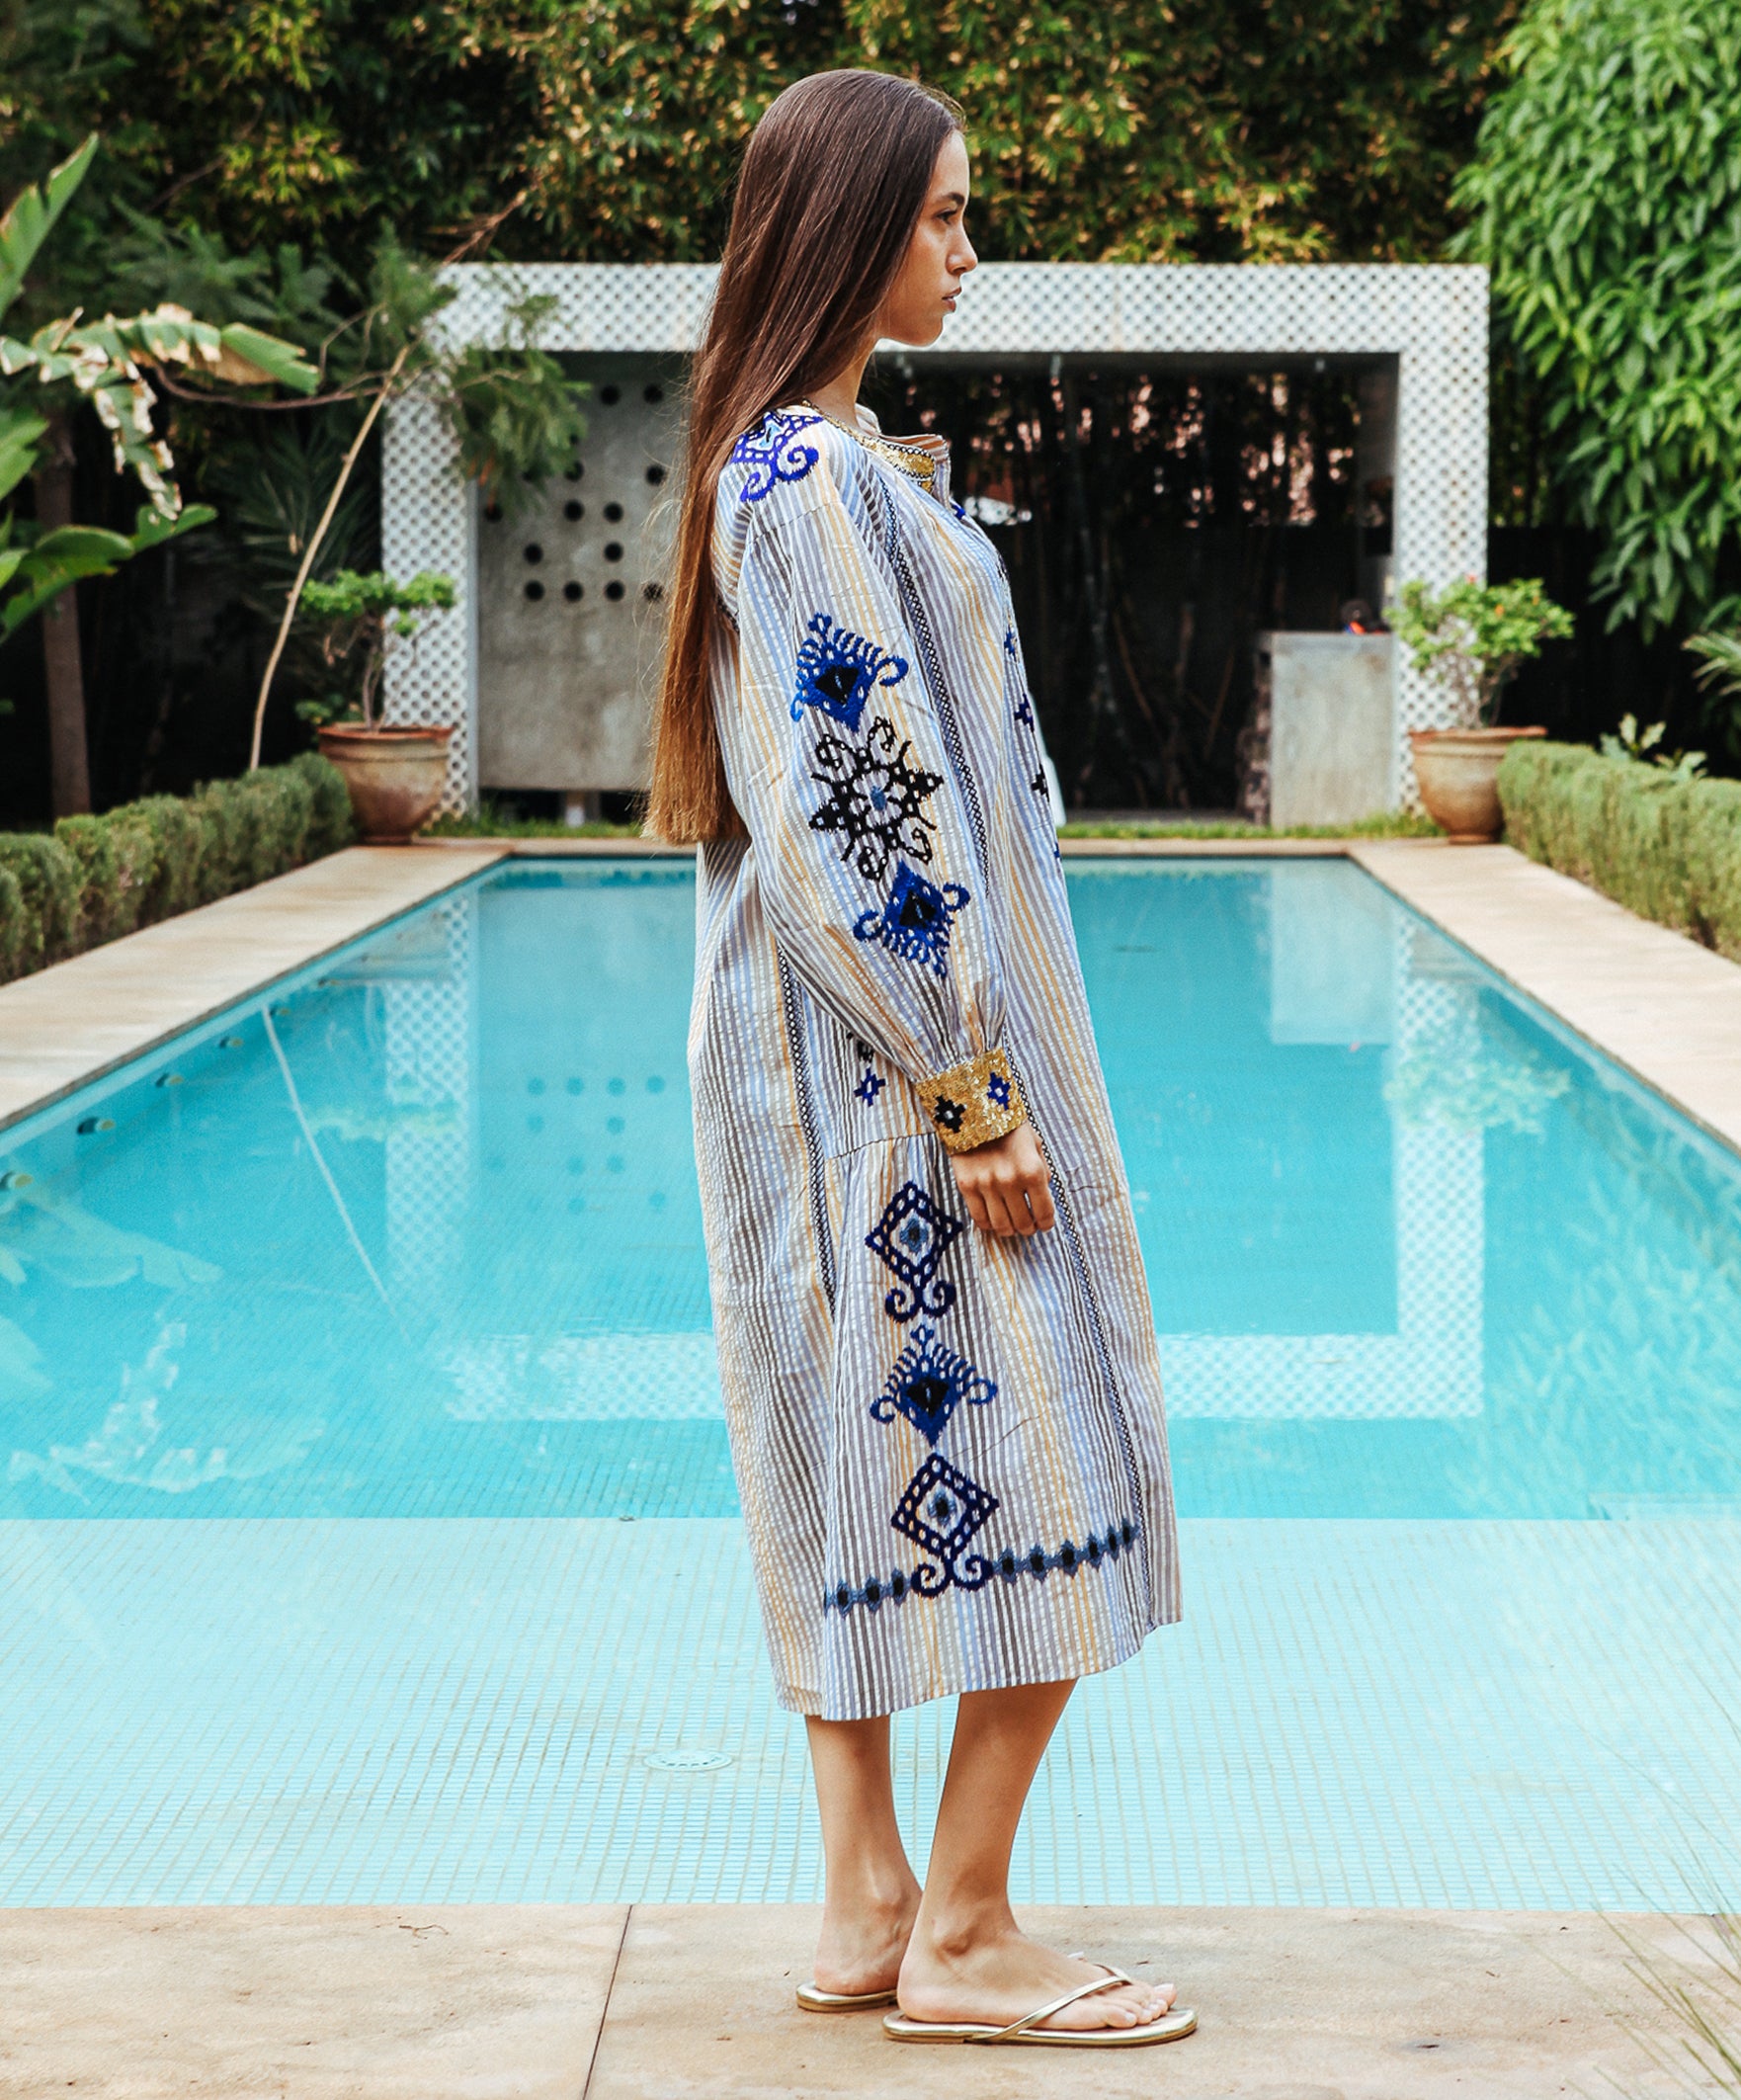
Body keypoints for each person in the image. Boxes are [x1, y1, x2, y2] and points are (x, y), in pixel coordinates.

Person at [649, 68, 1191, 2050]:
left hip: (827, 1062)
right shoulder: (800, 486)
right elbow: (854, 811)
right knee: (1054, 1423)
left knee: (854, 1435)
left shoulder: (804, 468)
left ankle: (869, 1895)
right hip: (889, 1074)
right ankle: (965, 1929)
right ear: (851, 228)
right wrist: (967, 1088)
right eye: (945, 215)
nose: (968, 249)